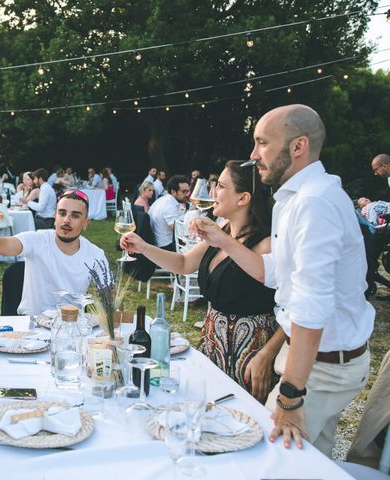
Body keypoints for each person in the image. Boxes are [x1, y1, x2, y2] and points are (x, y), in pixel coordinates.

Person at [193, 104, 373, 454]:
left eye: (262, 143)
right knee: (312, 462)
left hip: (321, 369)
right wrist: (223, 240)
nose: (253, 154)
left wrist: (289, 397)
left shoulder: (314, 203)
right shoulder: (294, 199)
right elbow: (273, 271)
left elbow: (310, 304)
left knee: (267, 458)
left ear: (297, 146)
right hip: (317, 361)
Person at [122, 161, 283, 401]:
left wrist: (267, 355)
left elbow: (292, 308)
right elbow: (184, 263)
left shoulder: (266, 244)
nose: (212, 192)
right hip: (212, 348)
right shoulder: (224, 231)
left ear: (243, 198)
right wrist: (144, 248)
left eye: (220, 186)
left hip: (250, 355)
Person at [0, 190, 108, 314]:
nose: (66, 220)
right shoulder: (36, 240)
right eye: (62, 213)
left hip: (71, 326)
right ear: (55, 216)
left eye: (75, 216)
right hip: (31, 326)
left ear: (86, 223)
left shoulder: (95, 254)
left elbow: (110, 300)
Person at [148, 175, 190, 250]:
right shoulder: (169, 205)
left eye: (188, 191)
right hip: (166, 247)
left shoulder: (164, 199)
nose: (187, 194)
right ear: (173, 192)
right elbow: (179, 232)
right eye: (184, 191)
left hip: (158, 242)